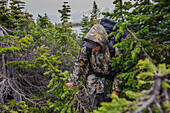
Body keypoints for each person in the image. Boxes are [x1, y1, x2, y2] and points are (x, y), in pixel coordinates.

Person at [67, 23, 121, 107]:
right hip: (93, 84)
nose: (93, 48)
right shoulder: (88, 49)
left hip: (109, 82)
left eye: (95, 46)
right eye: (91, 45)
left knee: (110, 107)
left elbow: (120, 71)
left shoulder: (113, 50)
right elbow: (81, 64)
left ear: (101, 43)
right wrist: (72, 81)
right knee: (94, 106)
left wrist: (116, 90)